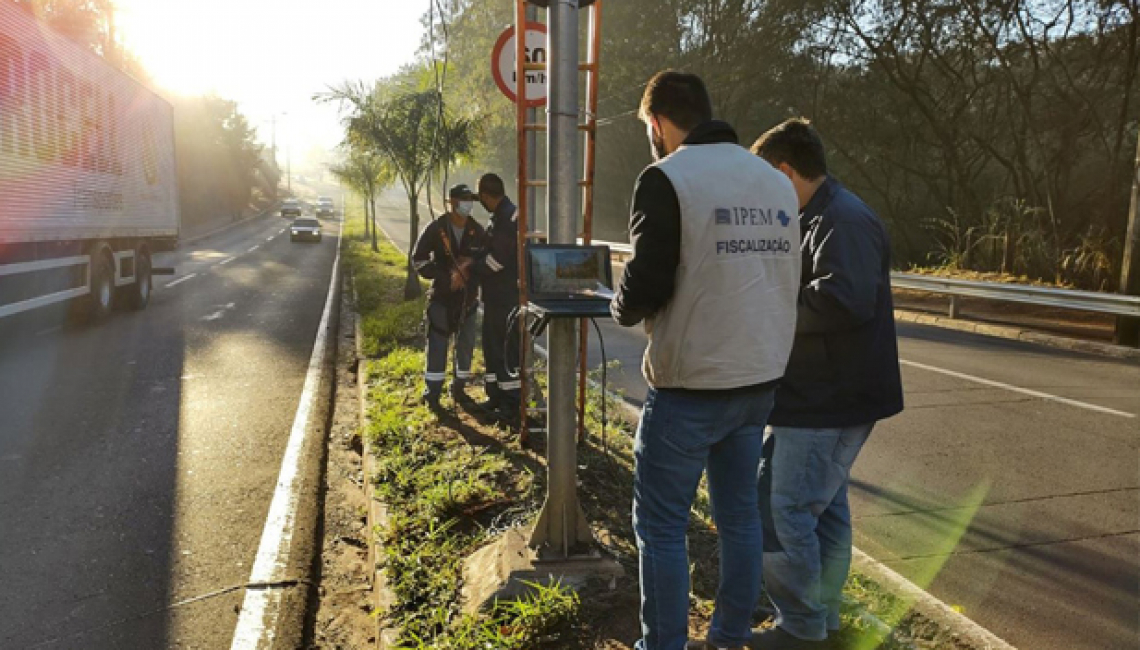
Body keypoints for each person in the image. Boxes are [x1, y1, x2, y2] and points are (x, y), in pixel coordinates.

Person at [610, 71, 801, 650]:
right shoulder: (773, 182)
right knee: (739, 517)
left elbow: (643, 287)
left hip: (690, 387)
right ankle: (726, 638)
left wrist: (618, 302)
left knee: (663, 526)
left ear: (657, 123)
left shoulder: (666, 179)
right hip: (757, 383)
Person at [749, 119, 904, 649]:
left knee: (778, 507)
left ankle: (800, 627)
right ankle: (826, 619)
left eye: (764, 180)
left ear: (786, 171)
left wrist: (770, 309)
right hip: (823, 396)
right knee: (825, 512)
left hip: (829, 399)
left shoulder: (843, 219)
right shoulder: (820, 214)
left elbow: (845, 300)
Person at [412, 183, 487, 411]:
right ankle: (432, 393)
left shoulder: (477, 231)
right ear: (452, 202)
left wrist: (468, 267)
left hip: (468, 299)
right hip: (442, 298)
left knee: (465, 345)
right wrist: (447, 276)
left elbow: (486, 260)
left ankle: (459, 388)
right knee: (437, 344)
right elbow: (419, 261)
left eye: (470, 200)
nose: (468, 204)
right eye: (464, 199)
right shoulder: (436, 228)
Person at [472, 173, 522, 423]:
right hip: (496, 297)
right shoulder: (504, 215)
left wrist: (472, 266)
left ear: (485, 196)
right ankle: (495, 395)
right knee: (492, 348)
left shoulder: (506, 219)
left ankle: (511, 403)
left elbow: (496, 261)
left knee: (505, 351)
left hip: (505, 298)